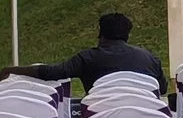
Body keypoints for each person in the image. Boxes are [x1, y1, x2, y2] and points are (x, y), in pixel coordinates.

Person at [9, 12, 165, 94]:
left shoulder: (87, 58)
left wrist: (11, 70)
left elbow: (52, 72)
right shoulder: (150, 59)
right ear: (127, 35)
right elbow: (162, 89)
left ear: (100, 35)